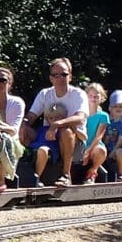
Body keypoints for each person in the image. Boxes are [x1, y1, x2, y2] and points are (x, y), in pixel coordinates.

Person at [25, 58, 88, 186]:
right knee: (23, 128)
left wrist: (57, 124)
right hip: (49, 137)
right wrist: (22, 125)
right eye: (55, 75)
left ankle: (66, 175)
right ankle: (23, 170)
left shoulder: (78, 94)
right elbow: (31, 116)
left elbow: (80, 118)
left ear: (70, 76)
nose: (60, 78)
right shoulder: (45, 94)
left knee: (66, 131)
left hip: (75, 142)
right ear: (51, 78)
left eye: (64, 74)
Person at [0, 66, 26, 192]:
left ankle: (1, 180)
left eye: (2, 80)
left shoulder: (17, 102)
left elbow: (13, 130)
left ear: (9, 83)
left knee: (3, 138)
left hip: (12, 141)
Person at [79, 82, 111, 183]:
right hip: (80, 144)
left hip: (94, 145)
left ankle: (92, 172)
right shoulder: (81, 113)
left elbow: (99, 136)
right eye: (90, 96)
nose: (93, 98)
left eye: (96, 96)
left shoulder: (103, 116)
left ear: (102, 98)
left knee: (101, 151)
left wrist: (88, 151)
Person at [101, 91, 122, 179]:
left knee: (119, 151)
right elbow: (107, 138)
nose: (118, 108)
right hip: (110, 147)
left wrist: (112, 152)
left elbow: (121, 142)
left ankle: (120, 174)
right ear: (110, 108)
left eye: (121, 106)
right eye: (115, 106)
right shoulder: (109, 122)